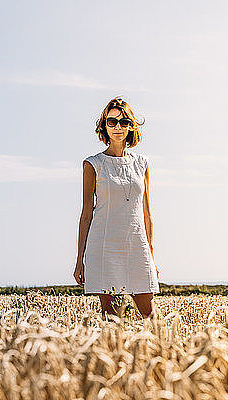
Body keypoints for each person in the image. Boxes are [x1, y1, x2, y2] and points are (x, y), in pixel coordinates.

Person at [74, 96, 160, 319]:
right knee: (112, 321)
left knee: (152, 320)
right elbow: (86, 215)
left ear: (131, 125)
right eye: (112, 122)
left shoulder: (142, 163)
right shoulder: (93, 164)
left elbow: (147, 213)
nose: (118, 127)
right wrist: (79, 259)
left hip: (136, 244)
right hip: (104, 247)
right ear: (104, 126)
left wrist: (151, 254)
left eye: (123, 122)